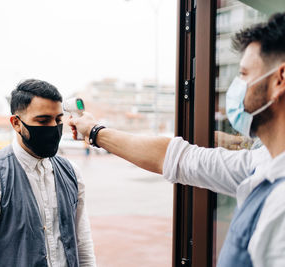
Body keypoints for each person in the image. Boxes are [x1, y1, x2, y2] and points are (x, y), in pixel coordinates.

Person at [69, 13, 285, 267]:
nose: (237, 86)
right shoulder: (262, 163)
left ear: (279, 80)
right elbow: (176, 157)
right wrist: (94, 131)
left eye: (244, 74)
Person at [0, 79, 96, 267]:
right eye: (43, 120)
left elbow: (82, 243)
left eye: (58, 119)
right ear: (16, 123)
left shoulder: (71, 171)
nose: (54, 127)